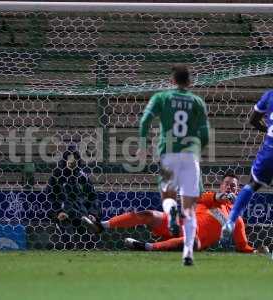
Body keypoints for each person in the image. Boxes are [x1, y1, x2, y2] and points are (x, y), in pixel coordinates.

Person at [83, 172, 269, 254]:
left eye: (233, 186)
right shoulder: (209, 197)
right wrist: (221, 195)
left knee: (191, 241)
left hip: (194, 241)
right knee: (149, 214)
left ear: (238, 191)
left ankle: (146, 247)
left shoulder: (236, 220)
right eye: (227, 184)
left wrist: (256, 251)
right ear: (221, 186)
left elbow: (243, 246)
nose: (229, 187)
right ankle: (101, 225)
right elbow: (209, 197)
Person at [136, 64, 210, 265]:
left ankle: (170, 213)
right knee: (190, 210)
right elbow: (205, 135)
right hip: (190, 158)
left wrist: (143, 146)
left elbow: (144, 121)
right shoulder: (197, 102)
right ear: (189, 82)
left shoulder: (161, 98)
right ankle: (187, 253)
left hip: (169, 156)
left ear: (172, 81)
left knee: (167, 195)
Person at [220, 90, 273, 246]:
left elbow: (253, 120)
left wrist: (267, 130)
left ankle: (230, 221)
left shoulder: (270, 95)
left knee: (253, 184)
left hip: (270, 149)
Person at [46, 144, 100, 235]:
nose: (72, 161)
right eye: (69, 158)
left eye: (75, 158)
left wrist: (92, 213)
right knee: (68, 239)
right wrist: (58, 212)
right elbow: (50, 197)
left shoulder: (83, 177)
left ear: (78, 160)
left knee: (88, 241)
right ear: (65, 159)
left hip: (82, 215)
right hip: (64, 215)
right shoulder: (57, 176)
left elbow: (93, 196)